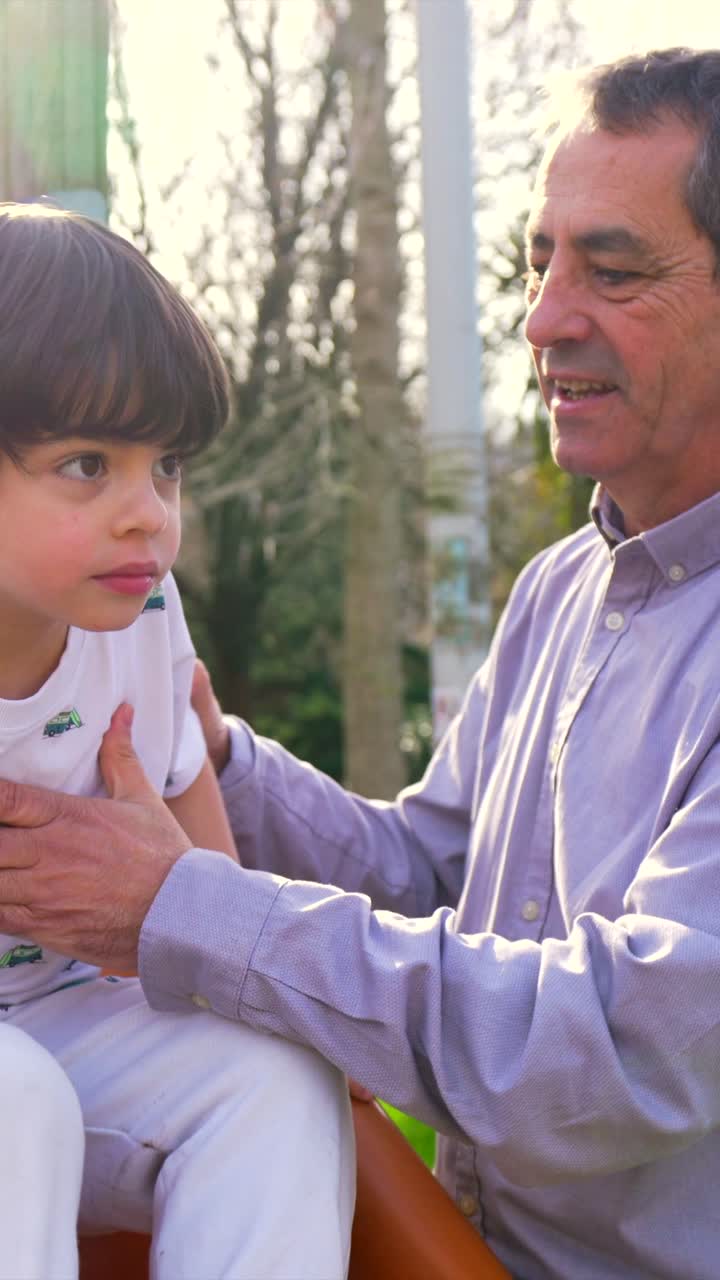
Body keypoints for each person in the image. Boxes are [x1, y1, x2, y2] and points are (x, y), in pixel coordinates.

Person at [2, 44, 720, 1280]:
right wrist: (215, 753)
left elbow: (628, 1042)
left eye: (612, 269)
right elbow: (431, 874)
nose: (545, 316)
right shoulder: (565, 592)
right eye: (539, 262)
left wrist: (185, 904)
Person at [0, 204, 354, 1280]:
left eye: (167, 468)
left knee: (274, 1072)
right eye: (86, 464)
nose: (147, 513)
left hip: (63, 1020)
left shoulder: (144, 623)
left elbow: (215, 899)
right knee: (18, 1105)